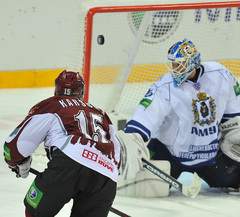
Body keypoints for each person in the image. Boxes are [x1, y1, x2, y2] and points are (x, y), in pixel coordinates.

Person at [124, 38, 240, 190]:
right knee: (143, 187)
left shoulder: (221, 74)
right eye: (173, 64)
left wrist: (233, 130)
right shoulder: (164, 86)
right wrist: (131, 140)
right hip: (169, 154)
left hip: (210, 155)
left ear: (192, 63)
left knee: (234, 180)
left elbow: (233, 106)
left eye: (179, 64)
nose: (174, 68)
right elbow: (147, 114)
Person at [3, 70, 121, 217]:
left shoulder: (52, 104)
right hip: (106, 175)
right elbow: (117, 153)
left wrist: (16, 161)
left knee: (34, 211)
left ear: (56, 90)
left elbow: (15, 145)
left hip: (68, 165)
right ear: (81, 92)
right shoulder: (101, 114)